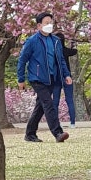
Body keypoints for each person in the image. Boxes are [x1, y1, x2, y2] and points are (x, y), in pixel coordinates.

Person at [16, 10, 71, 143]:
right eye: (46, 23)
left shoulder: (56, 41)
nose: (49, 25)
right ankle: (58, 133)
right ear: (39, 26)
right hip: (37, 77)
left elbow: (61, 60)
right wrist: (21, 79)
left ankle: (30, 134)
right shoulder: (32, 41)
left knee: (40, 106)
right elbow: (22, 60)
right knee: (48, 104)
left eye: (51, 23)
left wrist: (66, 75)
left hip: (52, 77)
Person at [53, 28, 77, 126]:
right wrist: (73, 44)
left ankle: (55, 122)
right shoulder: (66, 51)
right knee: (69, 100)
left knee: (55, 101)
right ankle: (72, 123)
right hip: (67, 77)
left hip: (56, 77)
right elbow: (74, 51)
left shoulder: (53, 52)